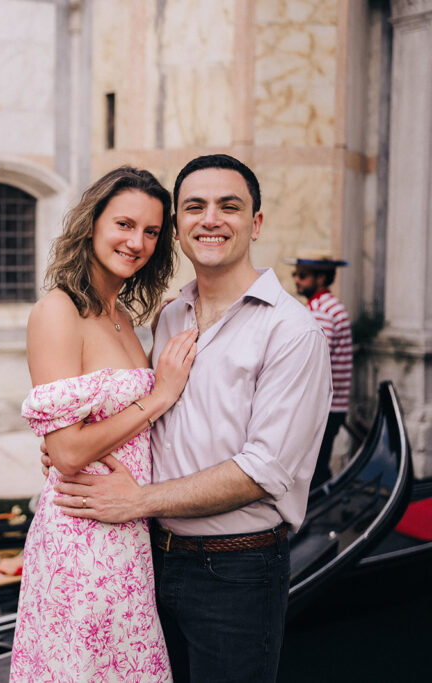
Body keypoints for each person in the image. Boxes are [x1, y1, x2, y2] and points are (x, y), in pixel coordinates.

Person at [45, 154, 332, 683]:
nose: (211, 219)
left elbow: (263, 470)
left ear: (256, 223)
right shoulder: (170, 315)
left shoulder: (293, 332)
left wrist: (137, 500)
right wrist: (73, 445)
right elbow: (146, 424)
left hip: (236, 572)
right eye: (194, 207)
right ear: (178, 228)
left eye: (230, 206)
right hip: (147, 559)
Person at [10, 166, 198, 682]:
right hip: (81, 541)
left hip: (129, 533)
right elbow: (68, 453)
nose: (136, 242)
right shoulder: (58, 311)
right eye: (124, 224)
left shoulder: (124, 319)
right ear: (92, 224)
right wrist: (159, 396)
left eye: (152, 232)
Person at [285, 253, 352, 488]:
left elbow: (311, 361)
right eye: (296, 275)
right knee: (316, 468)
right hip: (329, 406)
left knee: (311, 471)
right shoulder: (324, 306)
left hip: (323, 407)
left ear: (321, 278)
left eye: (302, 276)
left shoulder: (323, 310)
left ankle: (315, 519)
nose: (297, 280)